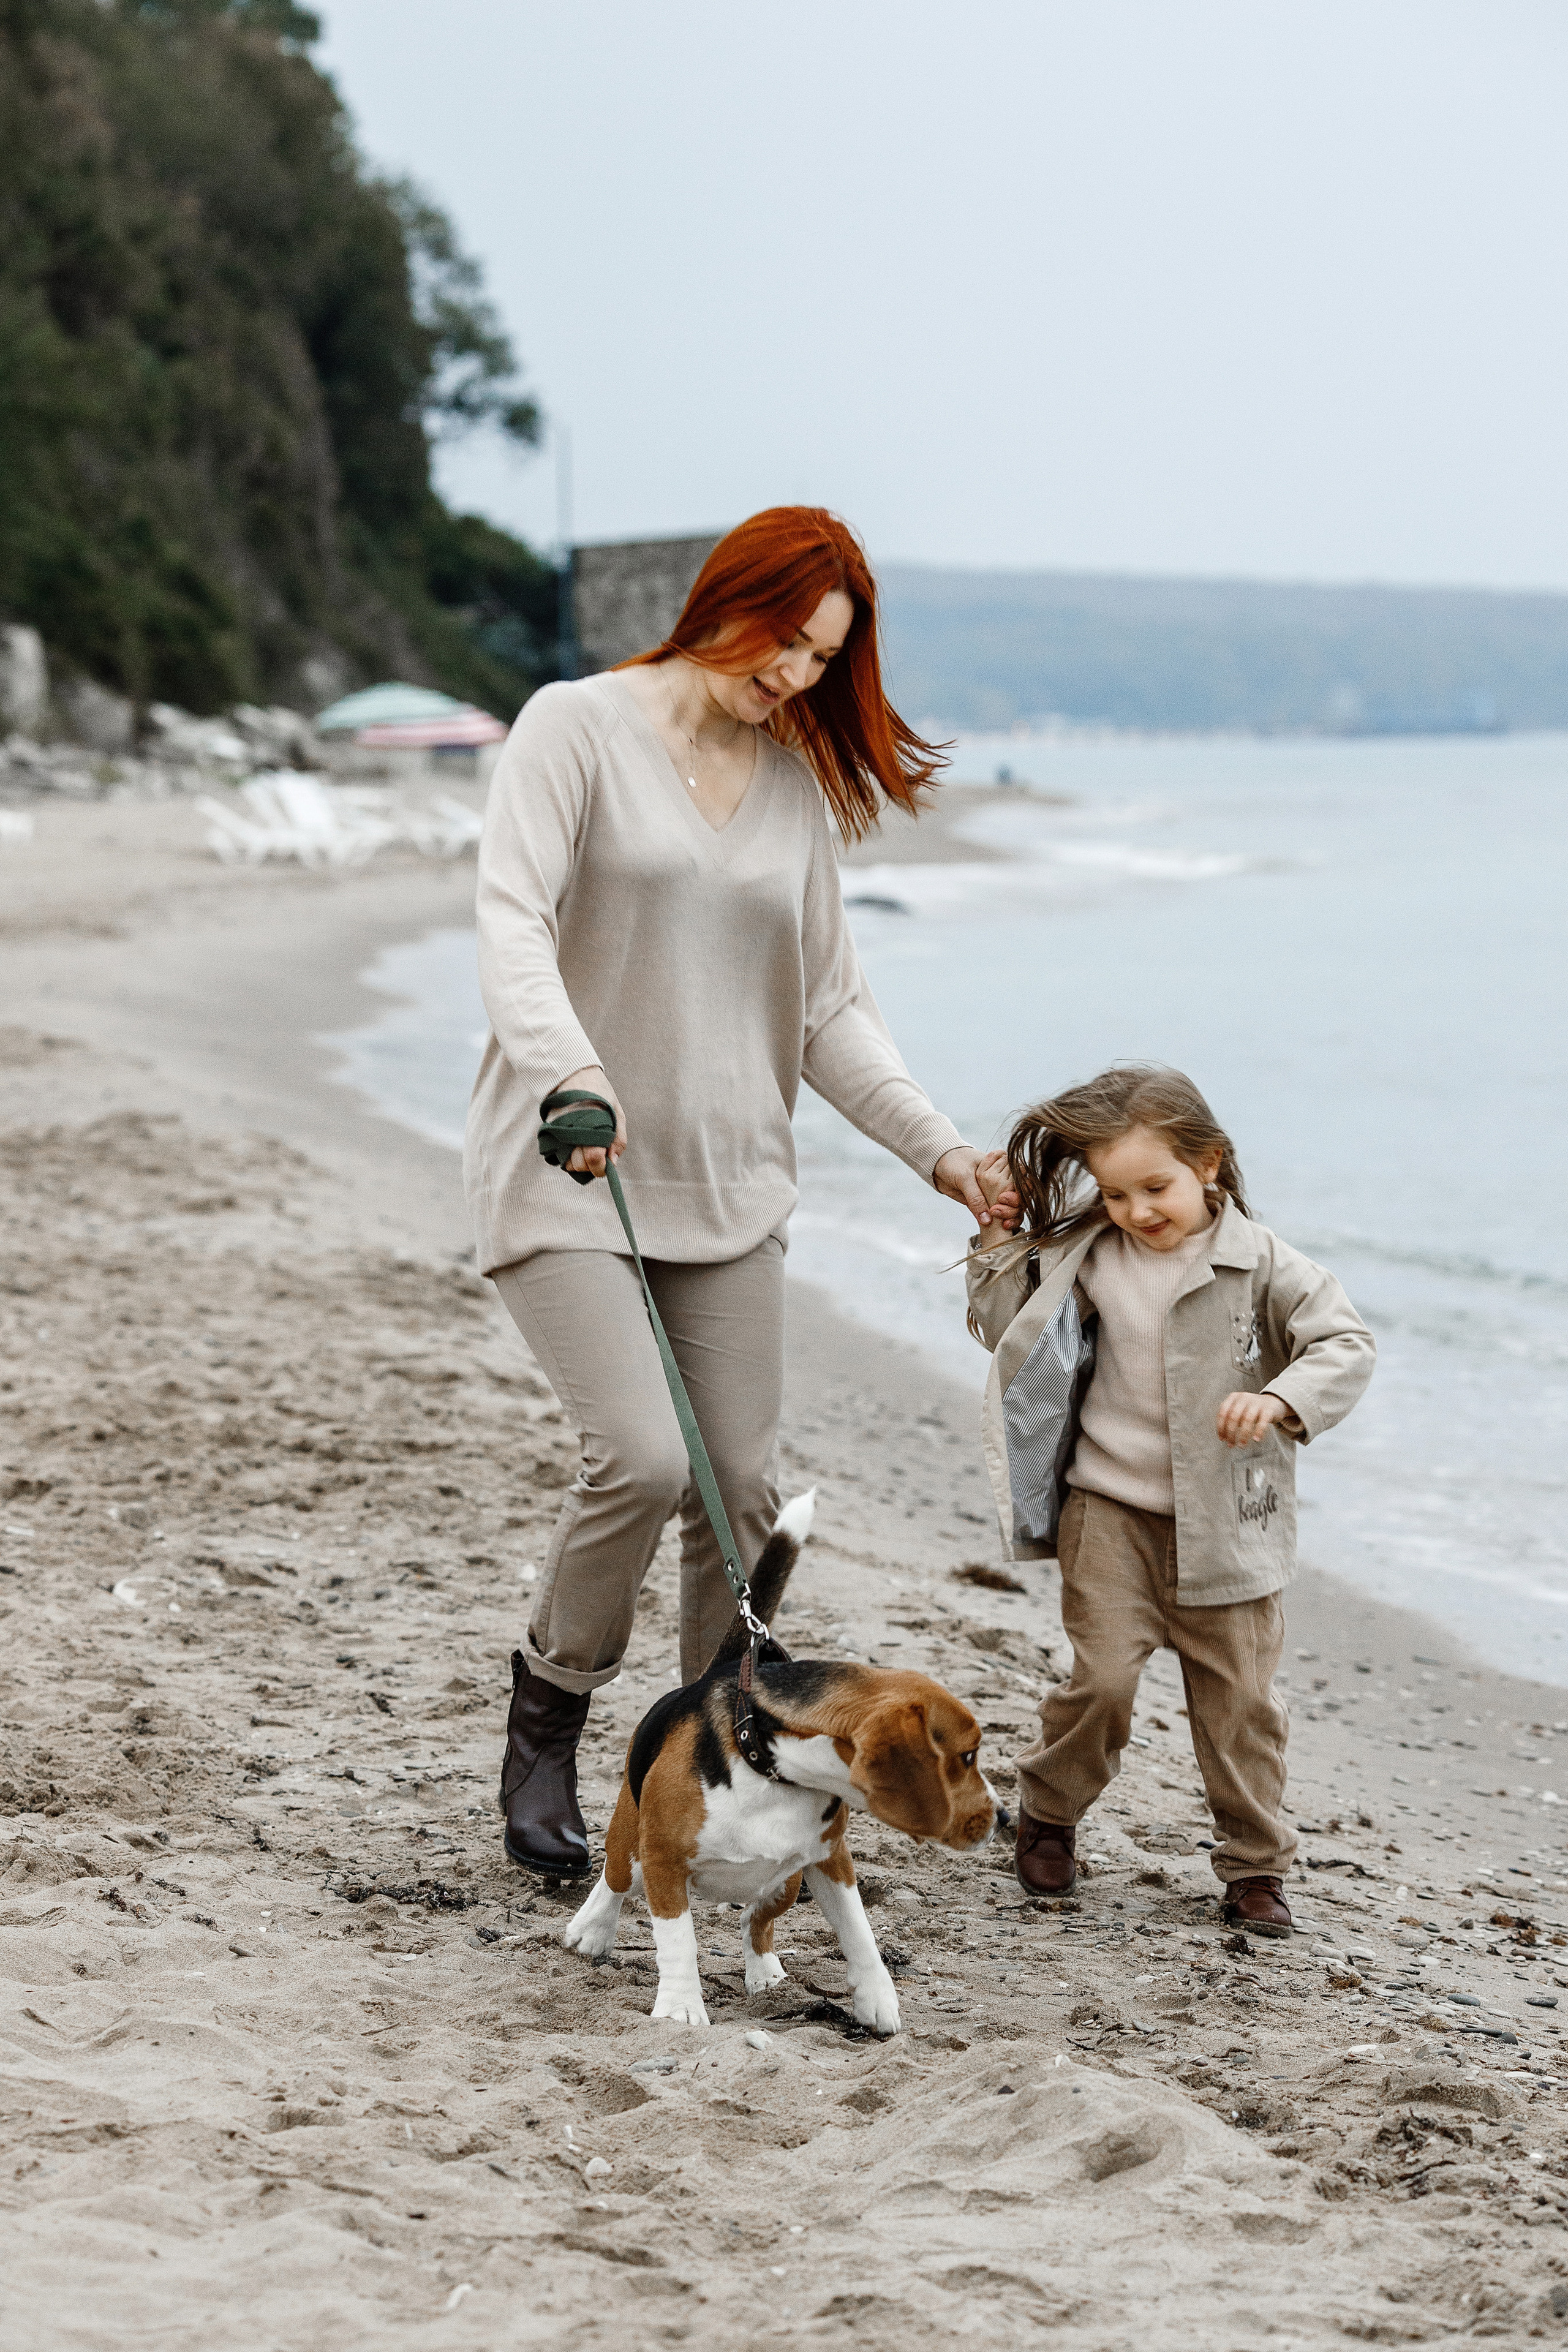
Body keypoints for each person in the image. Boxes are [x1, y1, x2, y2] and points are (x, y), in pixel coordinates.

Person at [466, 507, 1005, 1877]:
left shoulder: (793, 791)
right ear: (724, 600)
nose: (795, 677)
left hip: (731, 1186)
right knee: (642, 1461)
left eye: (822, 660)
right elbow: (511, 922)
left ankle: (701, 1768)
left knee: (739, 1497)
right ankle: (547, 1724)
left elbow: (828, 1011)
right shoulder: (572, 729)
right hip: (573, 1165)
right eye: (785, 643)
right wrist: (571, 1072)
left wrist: (941, 1152)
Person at [966, 1065, 1374, 1934]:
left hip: (1230, 1526)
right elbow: (1007, 1326)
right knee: (1103, 1682)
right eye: (1115, 1194)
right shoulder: (1089, 1253)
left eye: (1156, 1188)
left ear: (1208, 1165)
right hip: (1108, 1512)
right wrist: (998, 1238)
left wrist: (1281, 1398)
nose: (1136, 1211)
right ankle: (1049, 1812)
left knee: (1241, 1709)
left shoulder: (1264, 1263)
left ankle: (1255, 1867)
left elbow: (1345, 1343)